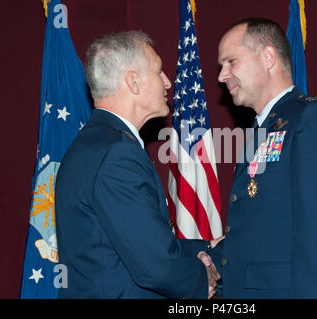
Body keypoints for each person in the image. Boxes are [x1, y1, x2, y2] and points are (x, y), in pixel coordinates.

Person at [55, 31, 219, 298]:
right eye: (158, 71)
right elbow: (156, 268)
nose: (168, 82)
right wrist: (204, 280)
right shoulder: (117, 153)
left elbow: (128, 242)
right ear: (133, 81)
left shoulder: (93, 144)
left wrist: (208, 247)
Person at [215, 18, 317, 298]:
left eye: (231, 61)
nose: (222, 75)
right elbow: (260, 229)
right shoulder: (259, 131)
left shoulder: (310, 119)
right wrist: (208, 256)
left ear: (268, 57)